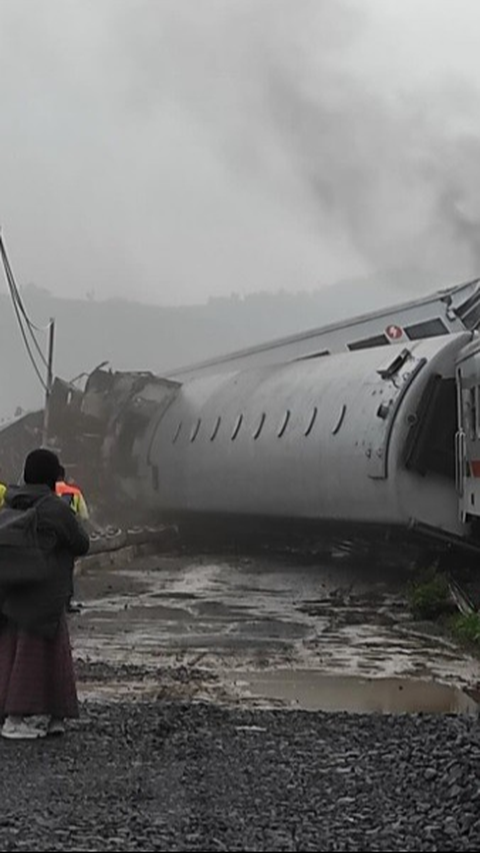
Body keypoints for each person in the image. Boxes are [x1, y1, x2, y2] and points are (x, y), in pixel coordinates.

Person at [0, 448, 90, 739]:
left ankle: (17, 715)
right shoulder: (56, 508)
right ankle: (31, 719)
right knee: (48, 656)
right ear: (53, 476)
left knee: (12, 654)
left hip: (12, 592)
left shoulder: (10, 504)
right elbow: (81, 543)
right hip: (46, 597)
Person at [55, 467, 90, 613]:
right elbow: (84, 516)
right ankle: (66, 603)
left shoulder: (44, 491)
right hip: (67, 537)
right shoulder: (74, 492)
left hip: (46, 536)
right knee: (66, 570)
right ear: (64, 476)